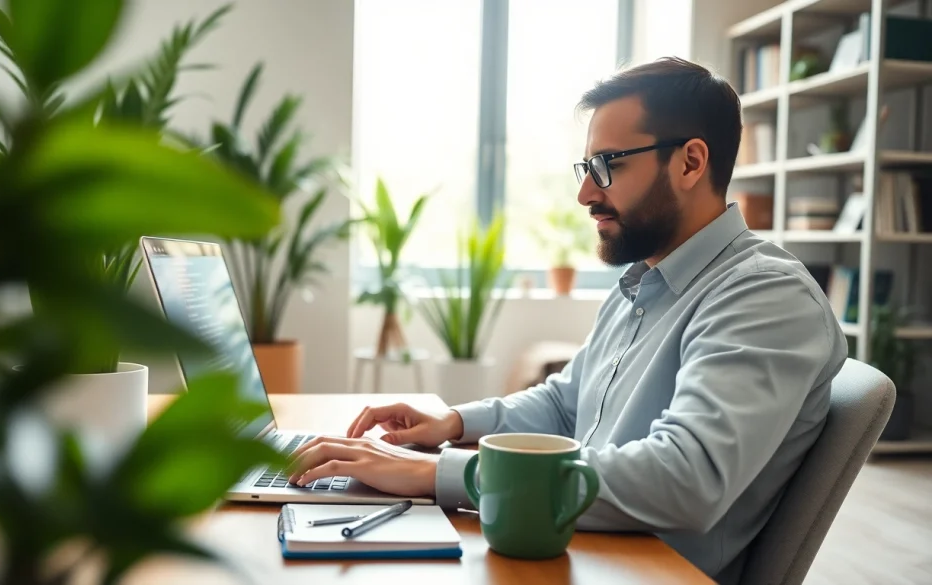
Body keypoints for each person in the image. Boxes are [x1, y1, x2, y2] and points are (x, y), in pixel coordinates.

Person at [287, 57, 848, 583]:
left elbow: (685, 479)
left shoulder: (763, 295)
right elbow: (567, 403)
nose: (585, 193)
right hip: (584, 546)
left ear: (690, 162)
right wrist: (451, 424)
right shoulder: (642, 283)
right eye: (586, 167)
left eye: (606, 166)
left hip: (640, 567)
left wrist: (437, 475)